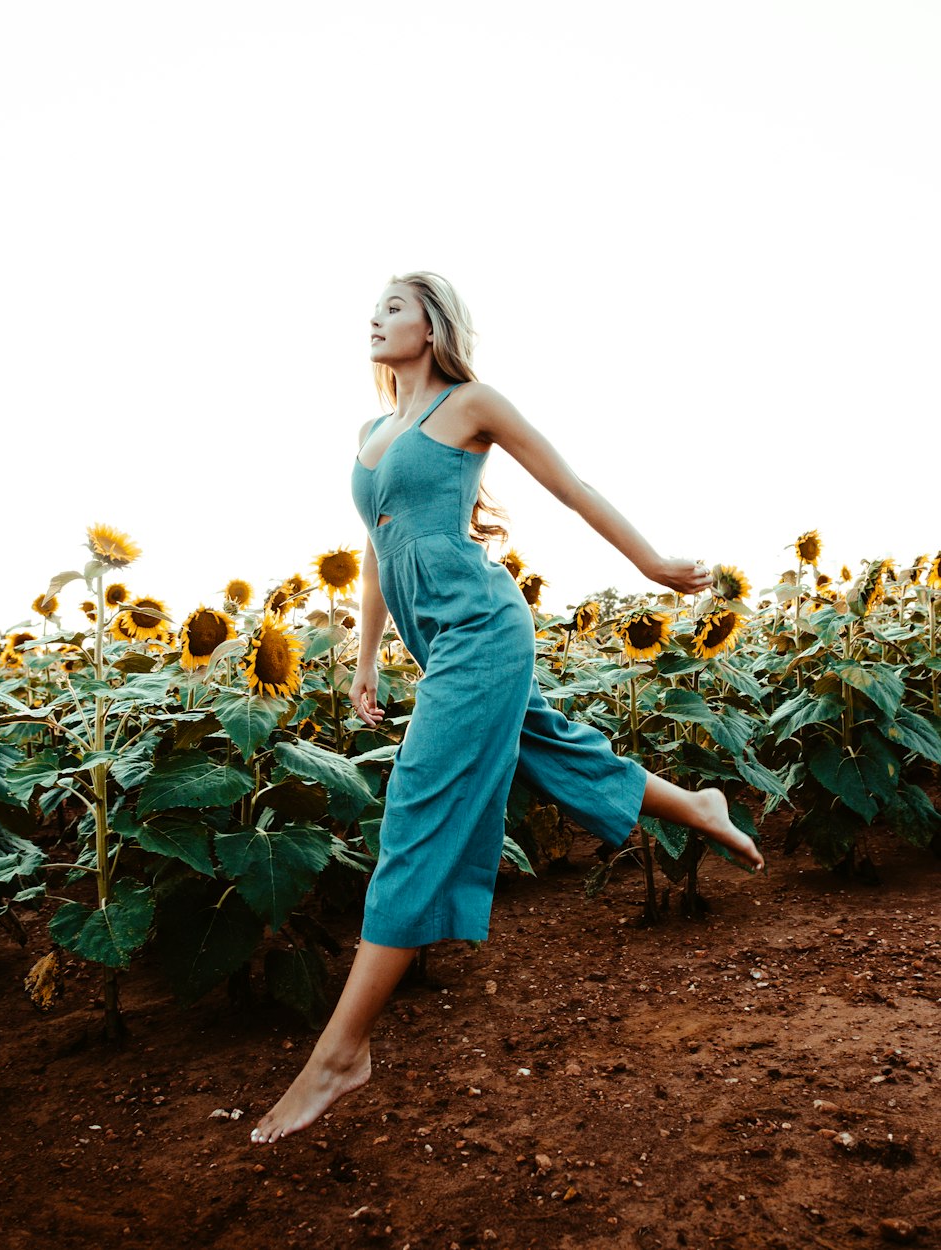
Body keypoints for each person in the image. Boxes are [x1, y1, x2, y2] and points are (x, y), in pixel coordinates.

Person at [251, 271, 763, 1146]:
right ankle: (698, 805)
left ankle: (341, 1052)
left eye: (395, 307)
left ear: (433, 324)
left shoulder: (471, 403)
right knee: (556, 749)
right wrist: (365, 661)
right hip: (438, 641)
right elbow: (375, 554)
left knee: (417, 808)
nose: (375, 319)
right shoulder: (373, 431)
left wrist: (650, 563)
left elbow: (571, 486)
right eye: (371, 309)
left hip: (485, 629)